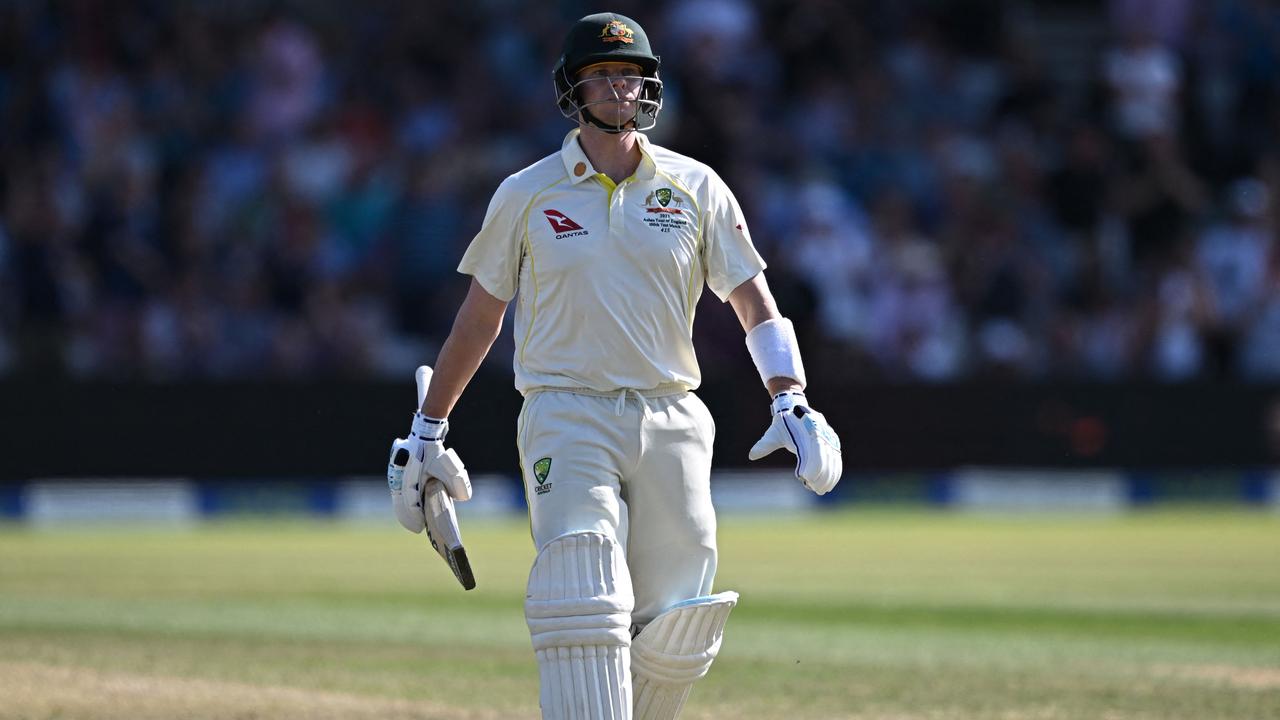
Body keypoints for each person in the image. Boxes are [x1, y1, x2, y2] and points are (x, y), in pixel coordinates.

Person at [389, 12, 842, 720]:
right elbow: (480, 319)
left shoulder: (696, 187)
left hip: (672, 414)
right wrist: (427, 428)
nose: (620, 91)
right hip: (566, 410)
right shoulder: (528, 192)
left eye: (631, 77)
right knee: (583, 579)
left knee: (678, 621)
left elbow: (753, 300)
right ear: (573, 90)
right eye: (603, 77)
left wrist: (792, 399)